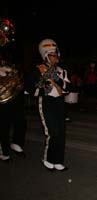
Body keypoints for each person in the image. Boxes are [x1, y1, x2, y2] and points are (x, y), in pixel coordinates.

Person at [26, 38, 71, 171]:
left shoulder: (62, 70)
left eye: (56, 54)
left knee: (61, 132)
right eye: (52, 54)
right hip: (46, 102)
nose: (55, 57)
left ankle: (58, 160)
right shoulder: (38, 69)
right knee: (52, 132)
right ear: (45, 55)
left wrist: (57, 78)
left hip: (59, 103)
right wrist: (45, 87)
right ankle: (48, 158)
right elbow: (30, 88)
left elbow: (68, 88)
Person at [0, 55, 27, 161]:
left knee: (21, 122)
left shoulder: (9, 65)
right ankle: (4, 152)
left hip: (15, 99)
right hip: (2, 102)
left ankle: (16, 143)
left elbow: (19, 80)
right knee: (3, 127)